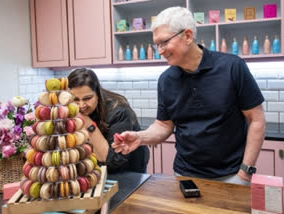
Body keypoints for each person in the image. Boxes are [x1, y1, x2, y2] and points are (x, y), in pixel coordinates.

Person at [112, 7, 266, 185]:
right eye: (157, 44)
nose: (159, 50)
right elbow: (164, 125)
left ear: (187, 36)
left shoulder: (232, 67)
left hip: (232, 175)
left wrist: (245, 172)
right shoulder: (166, 80)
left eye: (164, 42)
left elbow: (256, 120)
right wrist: (141, 137)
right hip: (185, 174)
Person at [68, 68, 149, 173]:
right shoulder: (69, 110)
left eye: (87, 98)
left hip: (129, 170)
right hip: (97, 170)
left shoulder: (119, 111)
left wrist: (87, 123)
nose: (81, 105)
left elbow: (112, 160)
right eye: (76, 100)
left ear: (97, 94)